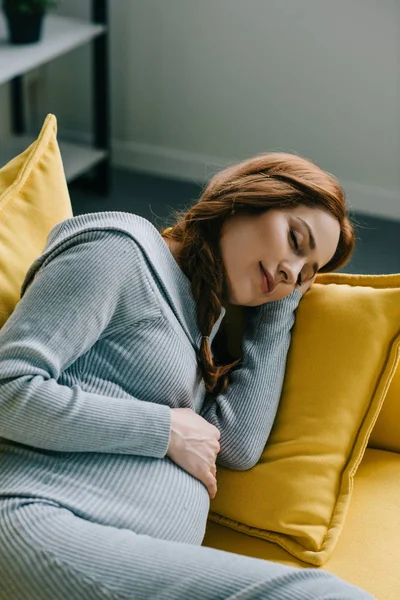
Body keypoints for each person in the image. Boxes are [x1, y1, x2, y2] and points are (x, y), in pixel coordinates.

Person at [0, 152, 373, 600]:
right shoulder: (121, 248)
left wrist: (280, 303)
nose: (292, 271)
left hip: (117, 551)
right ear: (245, 199)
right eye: (295, 239)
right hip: (42, 523)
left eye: (306, 274)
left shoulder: (204, 322)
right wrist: (164, 429)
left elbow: (236, 446)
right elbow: (9, 386)